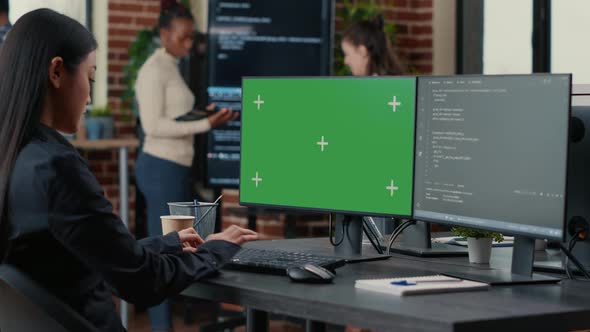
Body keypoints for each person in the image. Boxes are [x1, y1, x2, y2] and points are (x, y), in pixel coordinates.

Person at [0, 8, 258, 332]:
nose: (90, 96)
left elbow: (102, 253)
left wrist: (169, 243)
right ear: (56, 72)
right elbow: (143, 282)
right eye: (90, 77)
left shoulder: (16, 157)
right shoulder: (56, 168)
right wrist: (218, 250)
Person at [133, 3, 238, 331]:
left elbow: (174, 118)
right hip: (160, 168)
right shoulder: (152, 71)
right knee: (161, 257)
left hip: (175, 168)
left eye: (193, 37)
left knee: (177, 250)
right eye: (184, 37)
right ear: (165, 34)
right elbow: (153, 127)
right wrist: (204, 124)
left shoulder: (172, 65)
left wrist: (204, 119)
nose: (190, 44)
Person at [341, 15, 406, 76]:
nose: (346, 61)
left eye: (347, 54)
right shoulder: (393, 82)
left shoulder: (376, 85)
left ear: (362, 51)